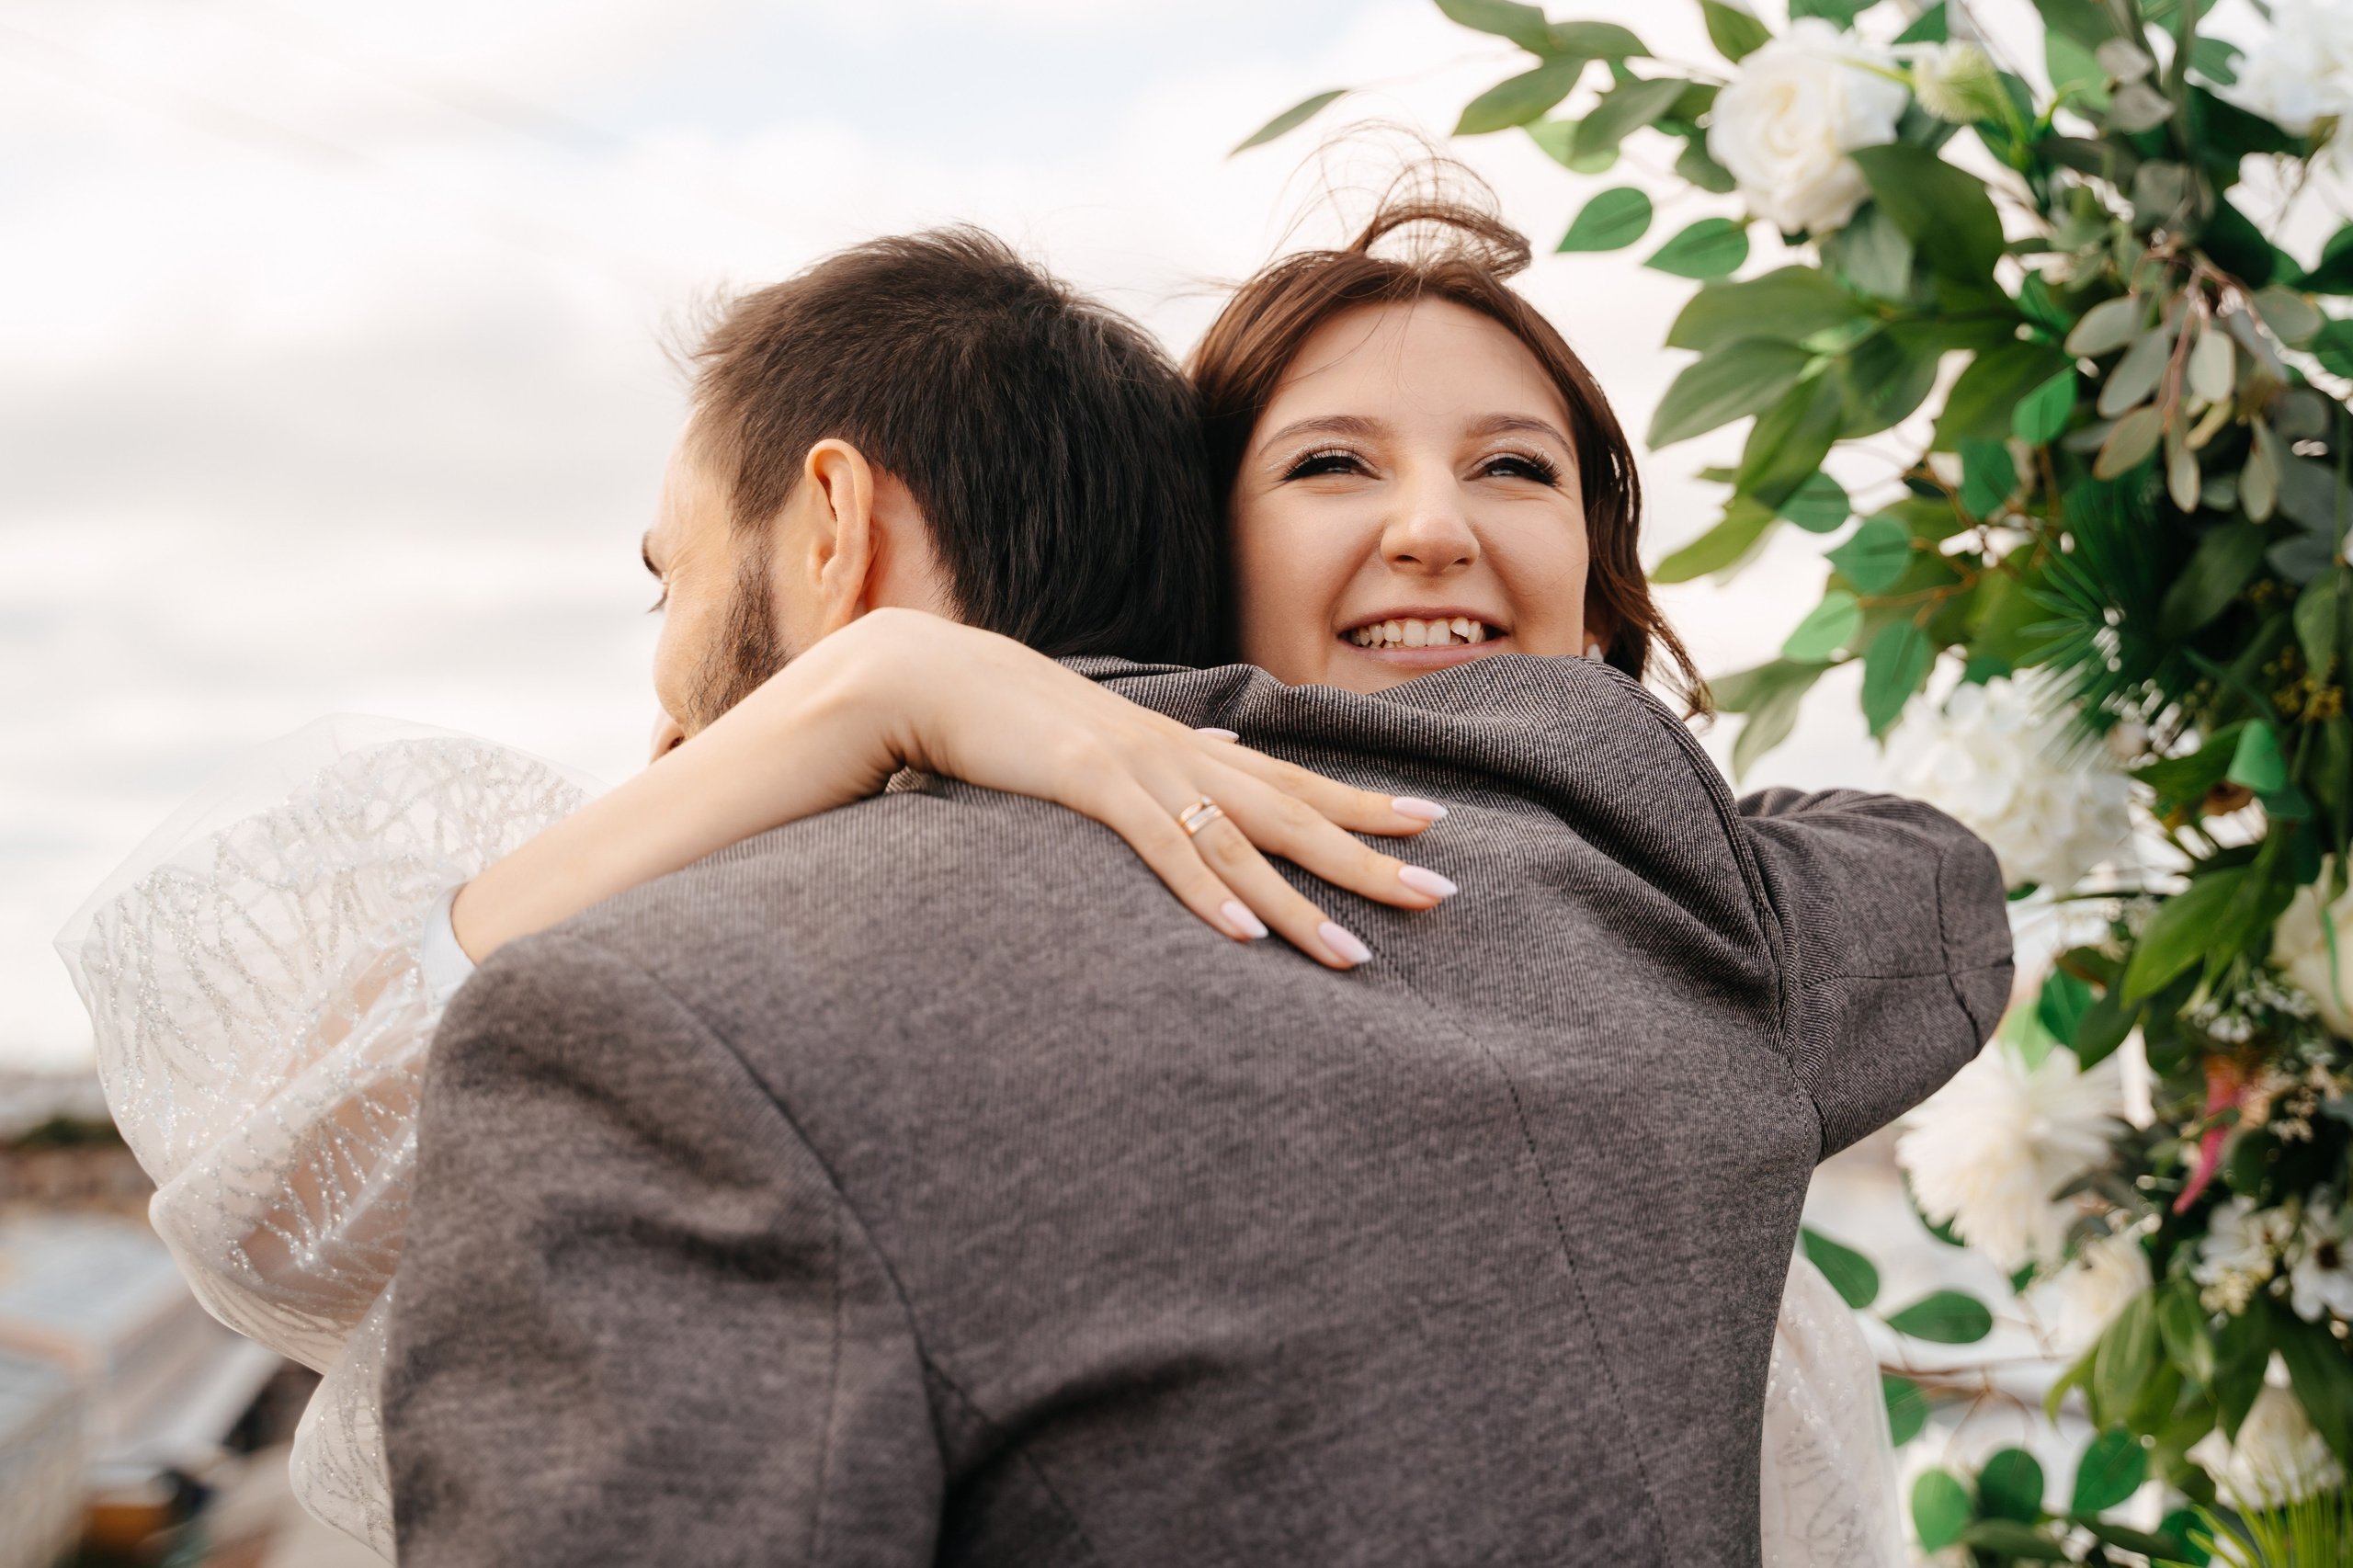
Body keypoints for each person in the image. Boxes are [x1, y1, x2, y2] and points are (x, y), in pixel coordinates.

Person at [60, 197, 2000, 1565]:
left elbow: (280, 1204)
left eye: (1518, 469)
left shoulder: (673, 1017)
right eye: (1331, 466)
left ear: (833, 523)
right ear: (1200, 557)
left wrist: (865, 689)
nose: (1431, 528)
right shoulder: (1688, 923)